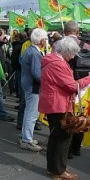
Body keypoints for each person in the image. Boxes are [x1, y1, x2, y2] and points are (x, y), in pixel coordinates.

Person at [39, 37, 90, 180]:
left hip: (55, 103)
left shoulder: (54, 61)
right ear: (66, 51)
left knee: (56, 138)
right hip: (58, 105)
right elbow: (72, 86)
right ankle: (59, 171)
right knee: (63, 138)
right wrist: (88, 78)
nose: (73, 57)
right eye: (73, 53)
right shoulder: (58, 64)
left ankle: (54, 168)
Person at [64, 20, 90, 159]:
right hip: (86, 85)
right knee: (82, 115)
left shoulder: (61, 45)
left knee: (69, 115)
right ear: (77, 31)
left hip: (70, 82)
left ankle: (67, 150)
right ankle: (76, 148)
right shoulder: (85, 45)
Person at [19, 28, 48, 152]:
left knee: (29, 112)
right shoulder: (35, 53)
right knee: (32, 114)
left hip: (27, 83)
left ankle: (26, 137)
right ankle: (27, 140)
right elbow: (37, 74)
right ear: (41, 40)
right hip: (33, 85)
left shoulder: (30, 50)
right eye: (45, 39)